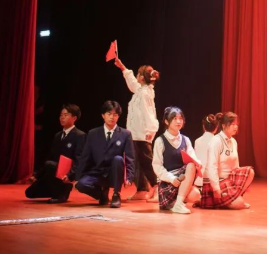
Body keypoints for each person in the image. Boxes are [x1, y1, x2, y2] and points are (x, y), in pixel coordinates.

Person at [114, 58, 160, 202]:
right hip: (135, 133)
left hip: (143, 133)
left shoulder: (145, 93)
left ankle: (158, 188)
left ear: (141, 77)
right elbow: (133, 83)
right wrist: (122, 67)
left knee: (147, 162)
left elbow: (149, 113)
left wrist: (150, 131)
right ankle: (142, 189)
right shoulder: (141, 91)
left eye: (138, 74)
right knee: (137, 162)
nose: (136, 77)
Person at [75, 100, 135, 208]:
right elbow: (85, 156)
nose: (112, 117)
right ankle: (102, 194)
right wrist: (78, 176)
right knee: (81, 185)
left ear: (118, 116)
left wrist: (129, 177)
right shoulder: (93, 133)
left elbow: (130, 158)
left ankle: (116, 195)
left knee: (118, 159)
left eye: (115, 114)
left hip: (114, 173)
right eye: (109, 114)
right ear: (103, 115)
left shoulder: (125, 134)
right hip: (97, 172)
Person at [25, 104, 86, 203]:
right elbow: (51, 157)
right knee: (29, 193)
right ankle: (56, 190)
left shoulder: (80, 135)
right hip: (54, 170)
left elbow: (79, 159)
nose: (62, 117)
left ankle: (62, 193)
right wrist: (37, 175)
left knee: (50, 164)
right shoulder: (58, 135)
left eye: (66, 115)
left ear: (74, 118)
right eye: (61, 115)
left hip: (67, 173)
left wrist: (70, 175)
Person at [197, 112, 254, 210]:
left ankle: (232, 198)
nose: (235, 127)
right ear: (223, 126)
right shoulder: (216, 141)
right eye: (232, 124)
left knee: (250, 172)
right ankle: (222, 200)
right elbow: (212, 166)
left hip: (228, 181)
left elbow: (236, 166)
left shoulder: (233, 141)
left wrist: (243, 183)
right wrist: (216, 188)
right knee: (240, 203)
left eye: (236, 124)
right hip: (216, 182)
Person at [152, 106, 202, 214]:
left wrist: (198, 163)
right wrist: (171, 178)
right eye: (174, 118)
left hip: (182, 181)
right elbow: (157, 166)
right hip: (168, 183)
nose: (178, 121)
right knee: (190, 167)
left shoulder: (185, 140)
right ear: (167, 121)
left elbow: (193, 158)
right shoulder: (160, 141)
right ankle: (177, 203)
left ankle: (178, 203)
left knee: (196, 194)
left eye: (180, 118)